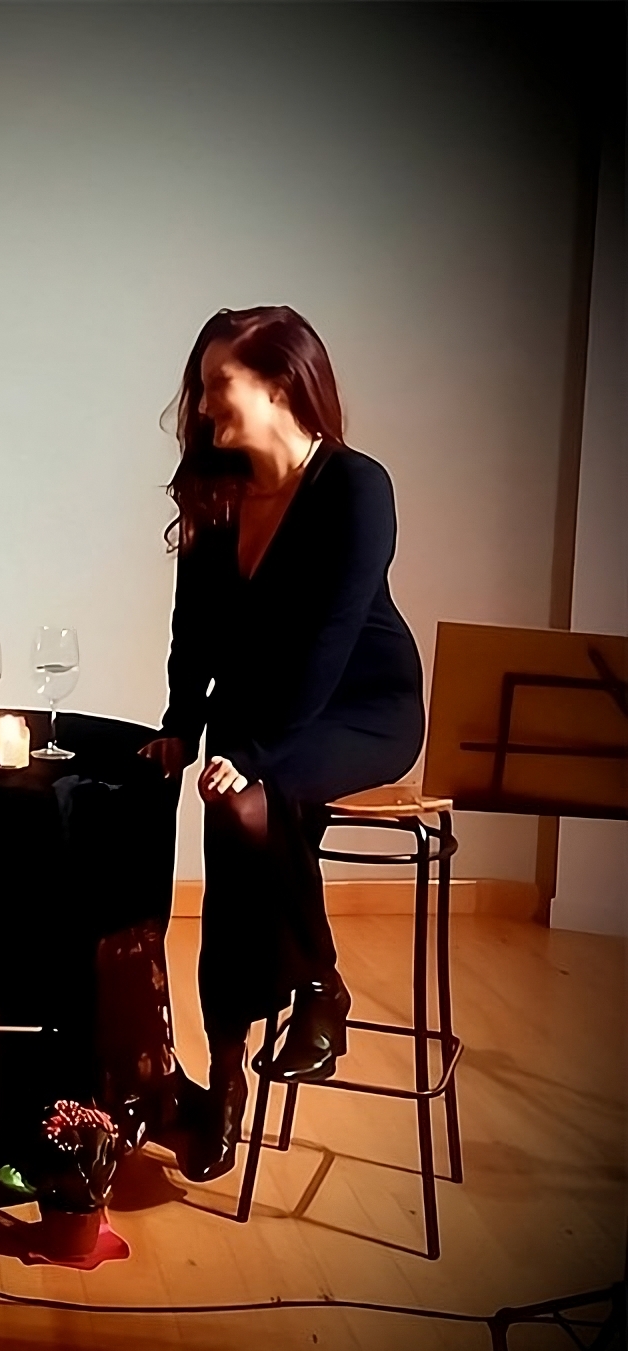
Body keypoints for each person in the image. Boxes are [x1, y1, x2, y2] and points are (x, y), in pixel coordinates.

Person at [140, 307, 424, 1182]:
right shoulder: (218, 491)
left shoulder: (356, 487)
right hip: (259, 714)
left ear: (279, 383)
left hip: (363, 708)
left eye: (216, 385)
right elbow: (193, 628)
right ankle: (234, 1069)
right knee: (234, 825)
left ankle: (316, 988)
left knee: (257, 795)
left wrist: (255, 753)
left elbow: (329, 643)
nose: (201, 406)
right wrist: (181, 726)